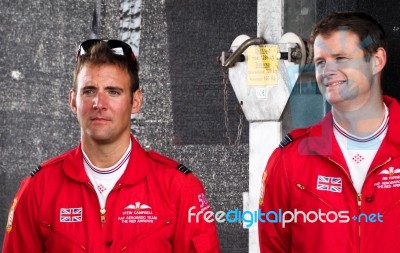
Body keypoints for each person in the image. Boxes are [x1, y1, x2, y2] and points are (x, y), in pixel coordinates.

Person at [2, 39, 221, 253]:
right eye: (89, 91)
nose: (99, 103)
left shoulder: (180, 188)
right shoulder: (37, 189)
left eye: (113, 91)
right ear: (73, 101)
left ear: (135, 102)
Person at [258, 12, 400, 252]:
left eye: (341, 58)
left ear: (377, 60)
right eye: (321, 62)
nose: (327, 71)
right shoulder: (288, 160)